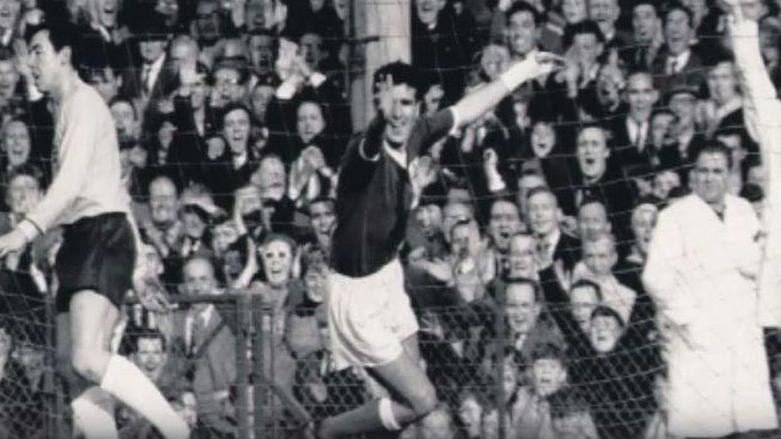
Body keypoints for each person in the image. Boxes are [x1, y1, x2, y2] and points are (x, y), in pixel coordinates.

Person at [318, 51, 563, 438]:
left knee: (409, 405)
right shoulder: (361, 153)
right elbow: (370, 146)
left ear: (417, 107)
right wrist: (382, 118)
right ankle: (325, 432)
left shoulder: (415, 134)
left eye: (405, 104)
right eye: (388, 103)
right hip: (356, 295)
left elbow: (467, 109)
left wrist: (524, 70)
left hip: (387, 276)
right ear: (377, 105)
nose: (397, 113)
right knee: (423, 401)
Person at [0, 21, 189, 439]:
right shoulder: (64, 109)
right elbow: (112, 190)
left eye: (38, 51)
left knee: (87, 358)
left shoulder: (83, 105)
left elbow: (71, 187)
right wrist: (138, 268)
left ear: (64, 55)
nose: (30, 62)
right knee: (72, 365)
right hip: (87, 236)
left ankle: (177, 429)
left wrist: (26, 230)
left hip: (100, 234)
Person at [642, 141, 777, 436]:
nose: (709, 178)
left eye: (717, 171)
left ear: (728, 174)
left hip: (742, 338)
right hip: (699, 343)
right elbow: (656, 277)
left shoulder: (742, 211)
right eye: (702, 170)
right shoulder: (674, 217)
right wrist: (691, 320)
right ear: (692, 174)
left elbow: (757, 264)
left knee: (749, 428)